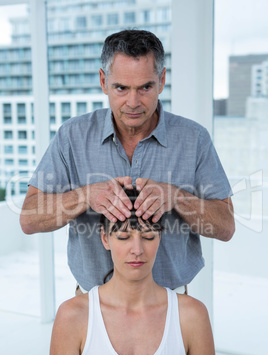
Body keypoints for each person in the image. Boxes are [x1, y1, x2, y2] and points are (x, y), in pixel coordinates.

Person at [20, 29, 235, 294]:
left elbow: (226, 227)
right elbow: (29, 218)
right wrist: (85, 196)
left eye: (145, 87)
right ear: (103, 81)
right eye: (121, 88)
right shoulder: (72, 136)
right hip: (93, 302)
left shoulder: (195, 139)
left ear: (162, 80)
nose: (133, 103)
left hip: (171, 304)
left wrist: (178, 198)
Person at [47, 189, 218, 355]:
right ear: (105, 238)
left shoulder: (192, 316)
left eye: (148, 236)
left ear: (159, 237)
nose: (137, 250)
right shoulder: (73, 316)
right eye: (123, 237)